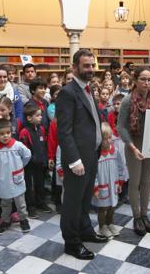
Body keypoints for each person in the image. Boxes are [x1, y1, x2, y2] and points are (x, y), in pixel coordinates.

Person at [56, 49, 107, 260]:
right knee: (73, 203)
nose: (90, 69)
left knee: (86, 199)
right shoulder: (68, 92)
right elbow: (64, 131)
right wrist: (74, 160)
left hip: (91, 154)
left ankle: (85, 231)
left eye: (92, 65)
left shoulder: (88, 88)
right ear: (74, 67)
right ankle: (72, 243)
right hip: (77, 159)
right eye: (86, 66)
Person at [116, 67, 150, 235]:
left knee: (147, 181)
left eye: (149, 79)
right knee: (135, 181)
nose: (146, 82)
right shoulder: (128, 100)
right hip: (133, 144)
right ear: (135, 80)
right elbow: (120, 126)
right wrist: (132, 146)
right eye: (143, 79)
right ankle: (136, 216)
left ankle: (145, 214)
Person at [0, 118, 32, 236]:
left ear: (11, 132)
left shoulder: (18, 145)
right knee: (5, 203)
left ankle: (23, 219)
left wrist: (20, 166)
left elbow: (27, 155)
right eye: (2, 134)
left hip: (17, 180)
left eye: (8, 133)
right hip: (2, 181)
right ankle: (5, 221)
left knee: (20, 202)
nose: (5, 136)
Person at [19, 104, 53, 217]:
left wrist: (46, 159)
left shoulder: (42, 129)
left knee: (40, 184)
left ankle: (40, 202)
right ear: (29, 118)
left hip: (41, 163)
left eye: (41, 115)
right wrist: (30, 160)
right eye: (37, 115)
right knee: (29, 186)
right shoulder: (24, 132)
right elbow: (23, 151)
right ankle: (30, 206)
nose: (41, 117)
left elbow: (45, 145)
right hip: (29, 165)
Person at [93, 122, 125, 238]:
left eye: (110, 138)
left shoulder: (115, 150)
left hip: (113, 184)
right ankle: (102, 226)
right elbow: (93, 173)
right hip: (102, 186)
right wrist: (95, 187)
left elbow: (121, 166)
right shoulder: (96, 154)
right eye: (105, 139)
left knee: (112, 206)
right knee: (102, 208)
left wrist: (120, 181)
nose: (108, 141)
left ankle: (110, 223)